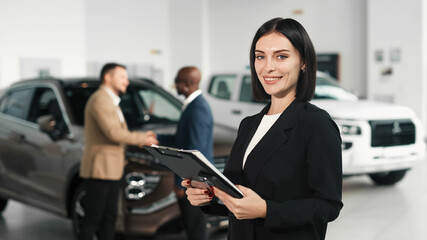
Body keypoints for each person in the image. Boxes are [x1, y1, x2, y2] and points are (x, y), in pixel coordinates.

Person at [182, 17, 343, 240]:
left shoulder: (316, 124)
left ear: (304, 62)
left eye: (281, 56)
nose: (268, 66)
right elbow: (238, 197)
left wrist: (267, 210)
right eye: (260, 56)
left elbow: (328, 206)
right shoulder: (249, 125)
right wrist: (209, 198)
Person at [79, 63, 158, 240]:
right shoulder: (100, 100)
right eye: (122, 77)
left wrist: (142, 137)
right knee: (93, 219)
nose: (126, 81)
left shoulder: (112, 101)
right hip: (100, 170)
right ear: (107, 77)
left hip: (112, 169)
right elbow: (113, 133)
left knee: (109, 218)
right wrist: (142, 138)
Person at [158, 66, 214, 240]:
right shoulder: (192, 106)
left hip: (195, 183)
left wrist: (182, 182)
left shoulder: (197, 109)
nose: (174, 84)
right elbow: (181, 140)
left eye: (177, 81)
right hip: (194, 181)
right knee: (192, 229)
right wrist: (157, 138)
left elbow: (193, 153)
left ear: (186, 84)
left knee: (196, 231)